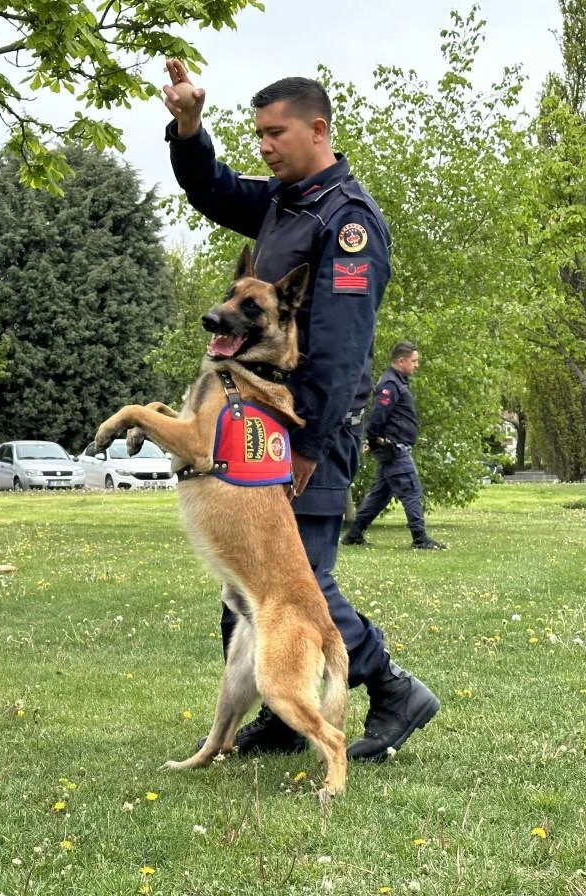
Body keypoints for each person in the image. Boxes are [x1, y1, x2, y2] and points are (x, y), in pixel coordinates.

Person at [164, 61, 438, 762]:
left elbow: (343, 349)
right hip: (263, 429)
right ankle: (281, 715)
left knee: (301, 583)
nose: (263, 146)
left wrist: (309, 443)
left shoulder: (346, 222)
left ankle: (395, 688)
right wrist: (190, 127)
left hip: (309, 429)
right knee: (250, 584)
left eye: (274, 132)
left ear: (317, 130)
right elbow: (211, 187)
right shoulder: (283, 203)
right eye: (256, 134)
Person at [343, 341, 446, 550]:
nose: (416, 365)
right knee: (412, 490)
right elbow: (378, 415)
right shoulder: (390, 384)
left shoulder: (398, 382)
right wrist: (373, 440)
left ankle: (353, 535)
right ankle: (420, 538)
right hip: (394, 448)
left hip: (392, 448)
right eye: (414, 361)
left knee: (379, 496)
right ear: (401, 361)